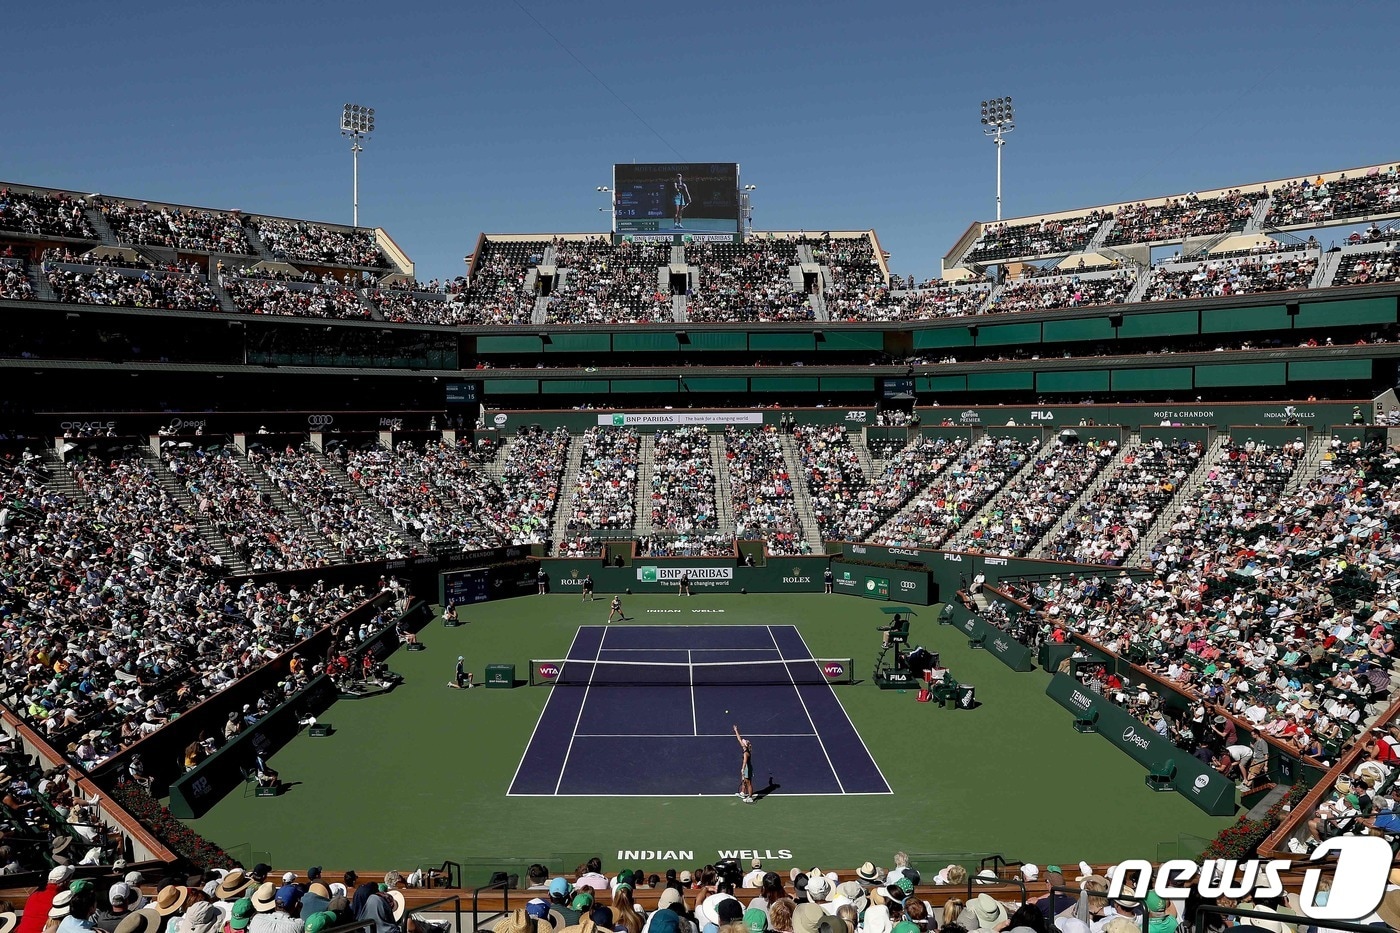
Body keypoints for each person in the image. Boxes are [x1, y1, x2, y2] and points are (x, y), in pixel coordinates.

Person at [733, 726, 754, 804]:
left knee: (748, 783)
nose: (742, 741)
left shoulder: (746, 753)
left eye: (744, 742)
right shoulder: (745, 748)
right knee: (744, 781)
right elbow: (739, 739)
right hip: (747, 768)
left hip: (747, 769)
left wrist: (742, 769)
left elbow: (744, 762)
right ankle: (742, 793)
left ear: (745, 745)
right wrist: (736, 730)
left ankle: (750, 797)